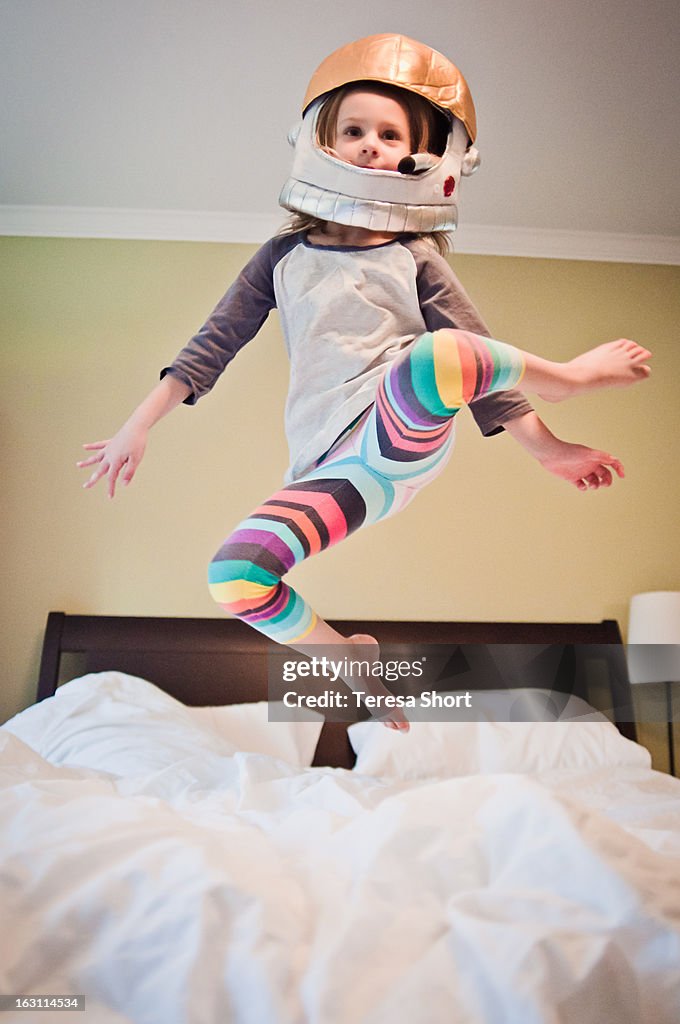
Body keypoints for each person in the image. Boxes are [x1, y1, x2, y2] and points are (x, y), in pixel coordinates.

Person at [78, 34, 651, 730]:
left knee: (440, 352)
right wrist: (137, 425)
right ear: (325, 143)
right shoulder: (283, 257)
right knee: (233, 575)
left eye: (388, 134)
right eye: (354, 131)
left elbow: (476, 357)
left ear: (415, 155)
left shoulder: (413, 257)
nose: (370, 145)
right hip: (333, 468)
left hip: (400, 426)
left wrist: (547, 445)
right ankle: (348, 662)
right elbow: (212, 345)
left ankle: (565, 381)